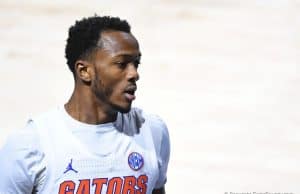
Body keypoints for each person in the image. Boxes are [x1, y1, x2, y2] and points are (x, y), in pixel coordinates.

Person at [0, 15, 170, 194]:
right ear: (84, 71)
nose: (134, 74)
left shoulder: (152, 131)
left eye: (136, 63)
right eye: (122, 64)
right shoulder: (31, 145)